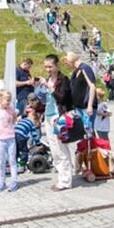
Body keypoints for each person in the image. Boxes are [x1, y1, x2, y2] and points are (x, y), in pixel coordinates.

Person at [42, 54, 74, 191]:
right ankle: (61, 177)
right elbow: (48, 100)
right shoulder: (49, 79)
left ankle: (66, 180)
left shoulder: (64, 80)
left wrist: (51, 88)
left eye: (50, 66)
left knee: (61, 149)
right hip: (48, 116)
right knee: (54, 149)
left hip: (58, 116)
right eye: (46, 67)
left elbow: (62, 98)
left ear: (57, 65)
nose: (48, 69)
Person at [64, 52, 96, 131]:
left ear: (71, 61)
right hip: (78, 107)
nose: (67, 66)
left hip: (85, 106)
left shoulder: (85, 68)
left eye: (67, 63)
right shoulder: (75, 72)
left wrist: (90, 105)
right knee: (81, 132)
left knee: (88, 131)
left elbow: (92, 86)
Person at [15, 94, 43, 172]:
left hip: (14, 134)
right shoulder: (31, 124)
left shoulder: (23, 119)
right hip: (21, 136)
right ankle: (23, 164)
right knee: (24, 151)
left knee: (16, 150)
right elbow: (34, 135)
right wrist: (38, 144)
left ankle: (15, 164)